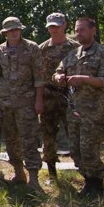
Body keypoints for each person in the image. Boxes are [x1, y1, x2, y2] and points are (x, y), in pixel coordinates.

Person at [54, 17, 104, 197]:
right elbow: (58, 71)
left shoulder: (103, 53)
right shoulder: (74, 54)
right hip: (74, 112)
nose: (78, 33)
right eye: (76, 30)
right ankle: (88, 182)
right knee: (75, 151)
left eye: (82, 30)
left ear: (93, 30)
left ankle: (97, 186)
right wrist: (58, 77)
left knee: (89, 151)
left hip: (94, 112)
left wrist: (84, 79)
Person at [0, 17, 46, 191]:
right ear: (4, 33)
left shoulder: (32, 48)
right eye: (10, 30)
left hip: (26, 103)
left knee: (29, 139)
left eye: (16, 29)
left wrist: (38, 101)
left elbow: (39, 77)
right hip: (5, 104)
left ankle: (34, 179)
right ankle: (19, 173)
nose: (13, 33)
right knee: (11, 140)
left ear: (20, 30)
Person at [38, 13, 79, 179]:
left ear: (64, 25)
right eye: (50, 26)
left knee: (74, 132)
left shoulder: (75, 47)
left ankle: (84, 169)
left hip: (70, 96)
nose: (53, 29)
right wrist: (38, 98)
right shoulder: (41, 49)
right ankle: (51, 172)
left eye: (56, 26)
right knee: (48, 134)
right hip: (48, 95)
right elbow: (37, 76)